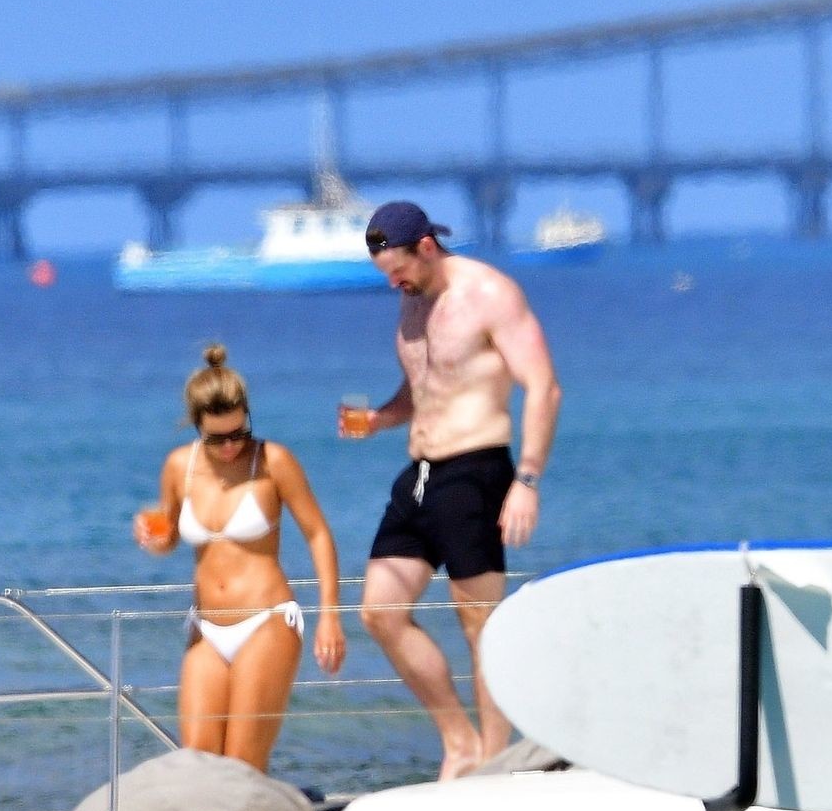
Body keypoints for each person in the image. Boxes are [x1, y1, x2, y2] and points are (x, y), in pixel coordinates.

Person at [342, 200, 562, 780]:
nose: (394, 284)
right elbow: (423, 388)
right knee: (380, 611)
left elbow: (543, 386)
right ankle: (459, 742)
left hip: (476, 471)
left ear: (427, 247)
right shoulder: (411, 299)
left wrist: (527, 480)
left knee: (479, 623)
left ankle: (494, 762)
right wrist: (379, 419)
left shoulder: (490, 294)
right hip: (419, 475)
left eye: (399, 270)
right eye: (386, 274)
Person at [134, 344, 346, 772]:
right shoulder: (178, 467)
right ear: (196, 425)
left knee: (242, 764)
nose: (230, 446)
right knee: (197, 763)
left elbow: (318, 534)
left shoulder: (273, 461)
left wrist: (330, 615)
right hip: (206, 628)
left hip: (266, 620)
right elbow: (170, 536)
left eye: (239, 433)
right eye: (217, 438)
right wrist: (155, 540)